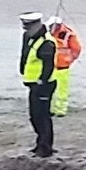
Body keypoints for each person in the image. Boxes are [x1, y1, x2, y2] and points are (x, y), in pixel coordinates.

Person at [19, 12, 57, 157]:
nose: (25, 30)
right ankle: (40, 143)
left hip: (44, 85)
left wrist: (42, 81)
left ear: (36, 25)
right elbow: (26, 54)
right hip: (33, 84)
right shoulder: (29, 37)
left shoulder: (47, 43)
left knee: (42, 116)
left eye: (27, 27)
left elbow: (48, 66)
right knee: (34, 116)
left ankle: (45, 148)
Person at [45, 16, 82, 117]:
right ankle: (51, 109)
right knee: (50, 89)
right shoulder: (48, 35)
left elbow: (77, 49)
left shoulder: (68, 35)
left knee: (62, 90)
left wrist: (69, 60)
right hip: (50, 66)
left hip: (63, 67)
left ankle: (61, 109)